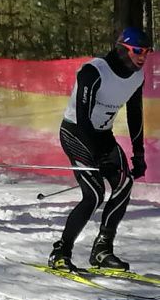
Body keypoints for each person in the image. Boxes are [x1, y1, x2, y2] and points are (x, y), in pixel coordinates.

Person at [48, 27, 152, 272]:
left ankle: (102, 250)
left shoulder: (137, 77)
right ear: (122, 49)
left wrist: (139, 154)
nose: (142, 57)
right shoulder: (94, 71)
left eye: (146, 52)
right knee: (94, 193)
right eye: (138, 51)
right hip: (76, 132)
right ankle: (61, 252)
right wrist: (99, 157)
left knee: (124, 185)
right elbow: (83, 119)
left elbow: (135, 116)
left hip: (103, 135)